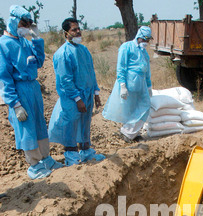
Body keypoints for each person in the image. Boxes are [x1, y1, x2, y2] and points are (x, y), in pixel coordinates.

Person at [0, 5, 63, 180]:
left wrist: (36, 39)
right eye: (23, 23)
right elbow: (4, 77)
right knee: (26, 127)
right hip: (19, 90)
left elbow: (39, 62)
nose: (26, 27)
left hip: (33, 87)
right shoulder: (3, 45)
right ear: (13, 21)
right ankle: (34, 165)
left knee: (39, 124)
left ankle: (46, 158)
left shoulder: (25, 42)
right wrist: (15, 104)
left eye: (29, 24)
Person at [48, 18, 105, 166]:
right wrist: (77, 99)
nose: (78, 31)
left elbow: (90, 72)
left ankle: (86, 151)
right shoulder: (63, 54)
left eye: (79, 28)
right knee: (71, 124)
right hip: (72, 97)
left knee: (85, 122)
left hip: (87, 93)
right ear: (66, 33)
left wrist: (96, 93)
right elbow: (65, 79)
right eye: (74, 29)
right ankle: (71, 155)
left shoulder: (84, 50)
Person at [102, 26, 153, 142]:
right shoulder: (126, 47)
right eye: (144, 39)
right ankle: (130, 134)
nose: (146, 42)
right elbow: (121, 67)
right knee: (129, 109)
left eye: (148, 40)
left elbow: (147, 70)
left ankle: (128, 132)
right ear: (139, 37)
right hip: (129, 83)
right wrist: (122, 86)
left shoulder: (144, 52)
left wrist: (149, 86)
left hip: (141, 84)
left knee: (144, 106)